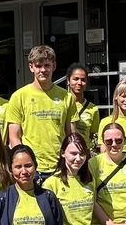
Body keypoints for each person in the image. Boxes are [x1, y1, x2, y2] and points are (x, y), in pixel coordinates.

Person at [6, 45, 77, 183]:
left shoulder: (66, 97)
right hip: (32, 170)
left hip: (60, 168)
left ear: (54, 66)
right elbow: (14, 138)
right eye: (38, 66)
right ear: (31, 67)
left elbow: (71, 136)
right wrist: (24, 166)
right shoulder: (19, 97)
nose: (43, 70)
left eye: (47, 65)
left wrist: (69, 162)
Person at [66, 63, 100, 151]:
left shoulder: (93, 109)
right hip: (66, 152)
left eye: (83, 80)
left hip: (84, 152)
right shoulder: (62, 104)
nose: (79, 83)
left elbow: (92, 135)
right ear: (68, 81)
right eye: (76, 79)